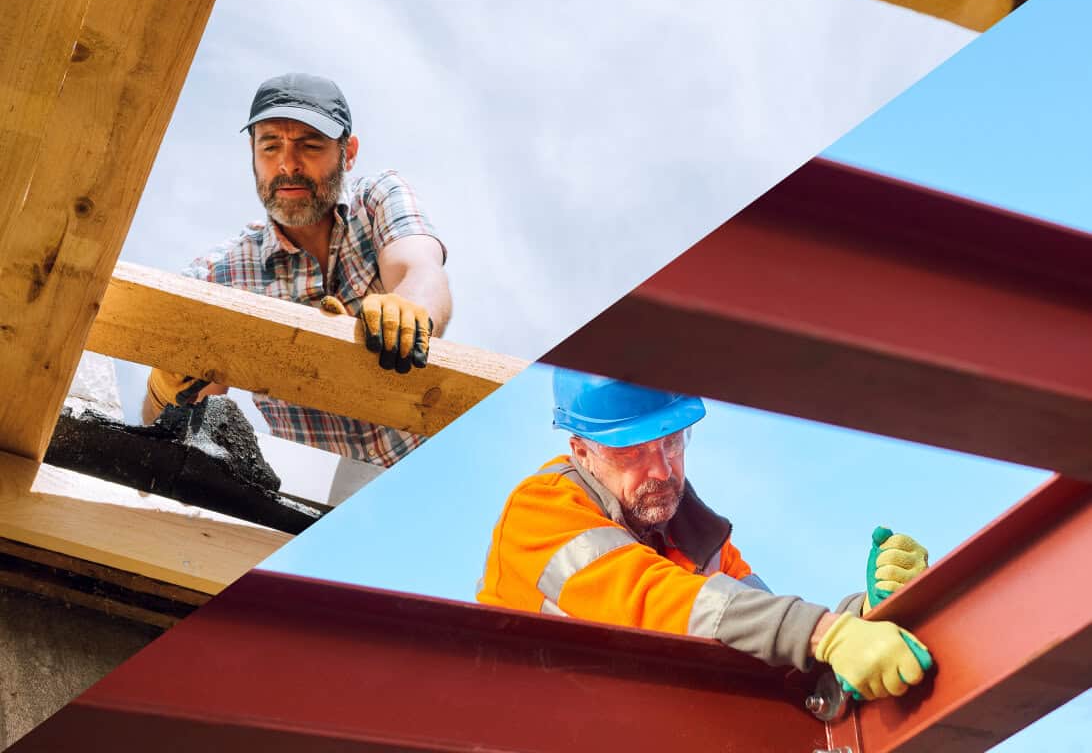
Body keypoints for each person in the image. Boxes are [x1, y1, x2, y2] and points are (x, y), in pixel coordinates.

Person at [478, 369, 933, 701]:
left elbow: (772, 636)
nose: (661, 469)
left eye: (671, 442)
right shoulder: (540, 511)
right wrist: (828, 634)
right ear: (582, 451)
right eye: (632, 452)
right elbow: (653, 600)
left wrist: (868, 612)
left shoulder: (693, 536)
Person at [143, 73, 451, 466]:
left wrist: (411, 311)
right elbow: (164, 429)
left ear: (348, 152)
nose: (288, 164)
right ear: (251, 153)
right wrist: (165, 389)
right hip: (314, 500)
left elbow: (421, 270)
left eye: (310, 145)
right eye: (270, 146)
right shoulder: (219, 275)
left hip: (431, 471)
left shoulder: (376, 200)